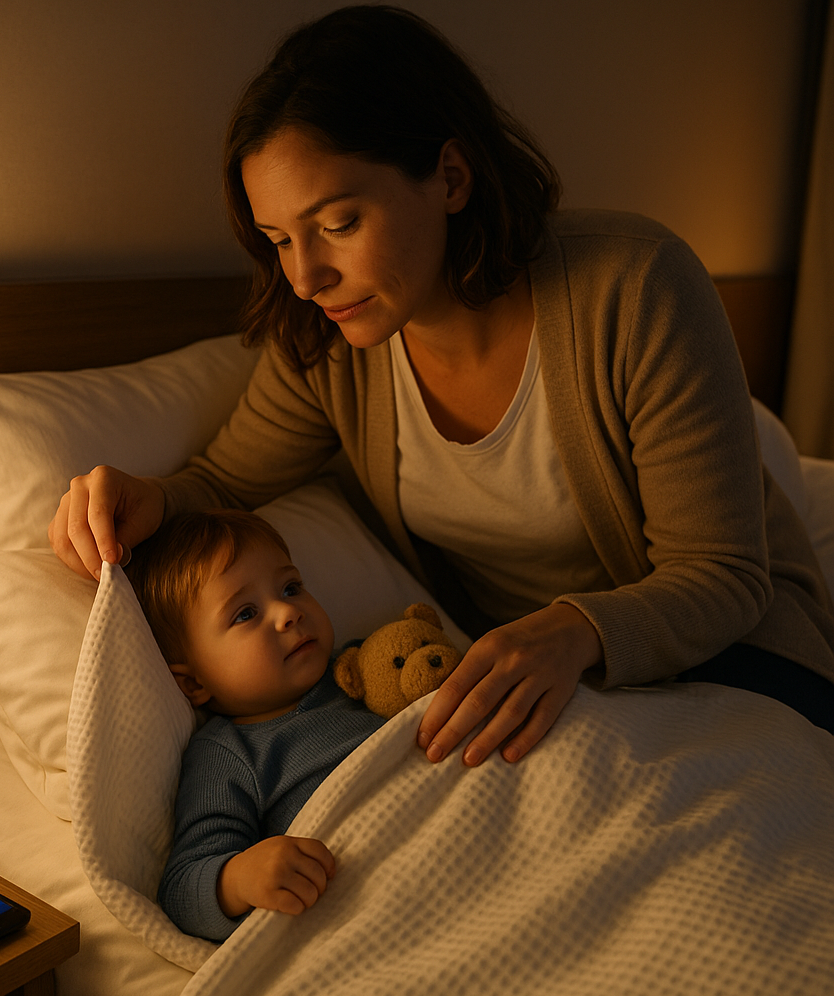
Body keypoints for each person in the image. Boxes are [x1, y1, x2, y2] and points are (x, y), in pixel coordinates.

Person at [51, 5, 834, 759]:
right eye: (279, 239)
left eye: (338, 224)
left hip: (732, 653)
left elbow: (726, 576)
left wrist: (568, 633)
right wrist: (148, 498)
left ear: (452, 177)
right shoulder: (327, 346)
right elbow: (225, 480)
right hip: (531, 681)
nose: (305, 277)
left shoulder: (634, 285)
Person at [125, 508, 384, 941]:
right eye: (245, 613)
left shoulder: (364, 667)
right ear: (193, 682)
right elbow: (182, 887)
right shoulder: (229, 753)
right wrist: (242, 878)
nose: (288, 612)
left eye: (291, 587)